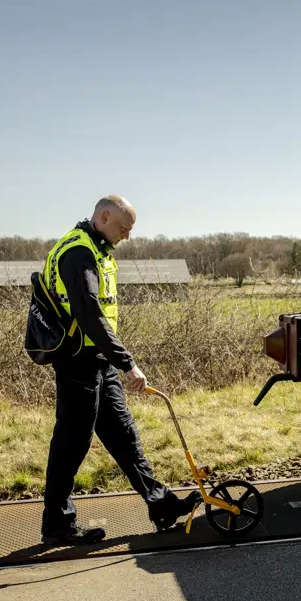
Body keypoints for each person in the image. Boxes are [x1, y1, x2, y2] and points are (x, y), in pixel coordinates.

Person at [39, 195, 199, 544]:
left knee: (124, 436)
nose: (127, 236)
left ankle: (161, 505)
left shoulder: (96, 249)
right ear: (105, 216)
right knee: (72, 441)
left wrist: (114, 361)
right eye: (124, 228)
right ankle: (57, 523)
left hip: (97, 359)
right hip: (78, 359)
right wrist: (128, 363)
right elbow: (89, 313)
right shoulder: (77, 252)